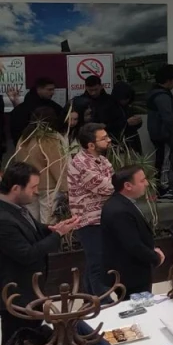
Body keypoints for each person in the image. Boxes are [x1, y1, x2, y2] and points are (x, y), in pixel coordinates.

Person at [0, 162, 80, 340]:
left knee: (34, 338)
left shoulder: (17, 207)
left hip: (32, 290)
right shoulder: (3, 219)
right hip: (17, 295)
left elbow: (33, 229)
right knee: (18, 343)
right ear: (16, 188)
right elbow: (26, 254)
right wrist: (58, 235)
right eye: (33, 187)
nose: (36, 192)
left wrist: (54, 228)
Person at [65, 122, 115, 295]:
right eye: (104, 138)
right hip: (88, 220)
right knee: (97, 262)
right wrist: (115, 184)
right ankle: (102, 300)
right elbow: (109, 187)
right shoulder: (80, 163)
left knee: (96, 260)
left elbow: (113, 180)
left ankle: (89, 297)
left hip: (102, 217)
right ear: (91, 145)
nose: (109, 140)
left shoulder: (103, 160)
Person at [101, 165, 162, 297]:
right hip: (131, 275)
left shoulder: (122, 203)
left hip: (134, 271)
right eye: (142, 180)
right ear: (128, 186)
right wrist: (155, 257)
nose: (146, 183)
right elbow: (133, 245)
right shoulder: (119, 211)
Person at [10, 107, 71, 224]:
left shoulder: (24, 138)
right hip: (48, 187)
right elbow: (57, 166)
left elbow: (18, 161)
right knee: (48, 223)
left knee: (31, 222)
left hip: (27, 184)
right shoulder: (49, 139)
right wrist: (66, 188)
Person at [146, 64, 173, 181]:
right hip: (164, 135)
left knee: (160, 159)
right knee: (164, 161)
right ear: (168, 80)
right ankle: (163, 185)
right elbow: (168, 118)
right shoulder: (162, 96)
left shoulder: (154, 92)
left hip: (157, 133)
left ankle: (160, 184)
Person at [7, 77, 67, 144]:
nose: (53, 92)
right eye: (49, 90)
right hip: (30, 144)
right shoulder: (25, 108)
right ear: (39, 89)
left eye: (53, 89)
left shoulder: (52, 105)